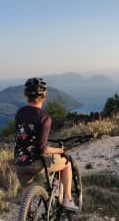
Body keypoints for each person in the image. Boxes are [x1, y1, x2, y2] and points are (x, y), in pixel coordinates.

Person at [14, 77, 79, 212]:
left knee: (27, 195)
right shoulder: (44, 117)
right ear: (44, 96)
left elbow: (27, 138)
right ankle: (67, 199)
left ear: (26, 95)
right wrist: (59, 150)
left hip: (19, 162)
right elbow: (41, 148)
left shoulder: (20, 113)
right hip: (35, 163)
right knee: (66, 163)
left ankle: (28, 220)